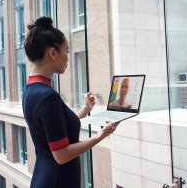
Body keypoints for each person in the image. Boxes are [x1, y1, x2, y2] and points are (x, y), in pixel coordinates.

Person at [22, 17, 119, 188]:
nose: (68, 58)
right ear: (52, 53)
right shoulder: (47, 96)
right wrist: (102, 135)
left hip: (45, 176)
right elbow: (62, 155)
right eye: (66, 51)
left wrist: (84, 109)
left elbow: (54, 128)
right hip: (57, 182)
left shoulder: (31, 89)